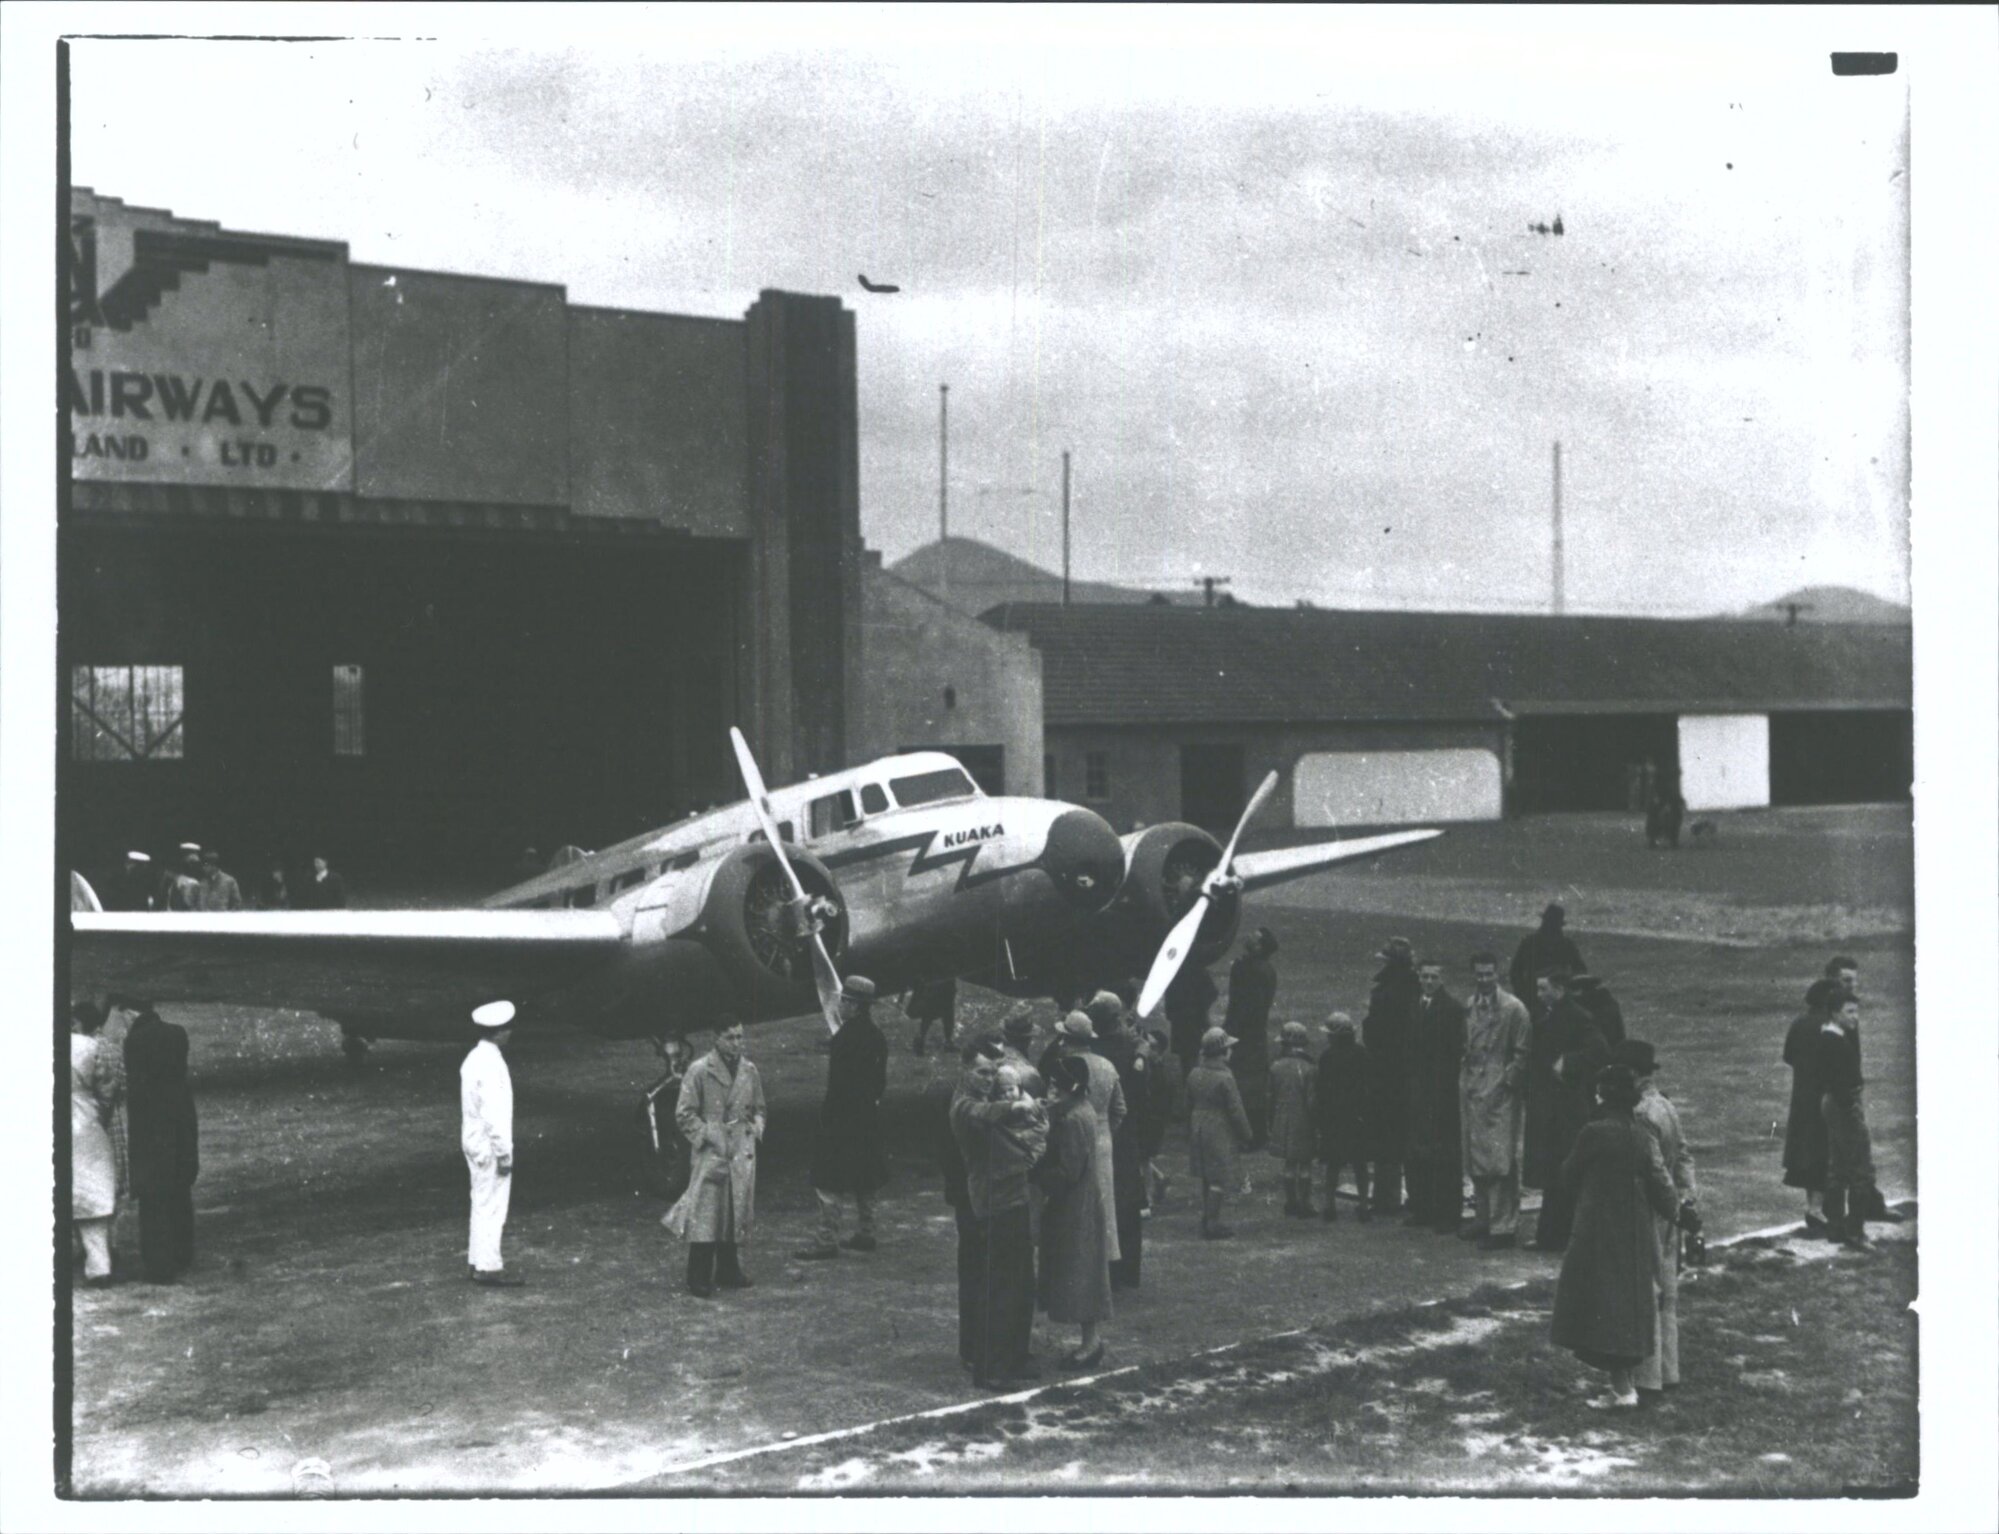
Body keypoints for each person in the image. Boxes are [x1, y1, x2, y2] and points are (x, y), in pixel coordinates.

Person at [1549, 1065, 1682, 1410]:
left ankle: (1623, 1390)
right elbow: (1661, 1184)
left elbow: (1567, 1175)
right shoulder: (1640, 1134)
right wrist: (1680, 1213)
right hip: (1635, 1231)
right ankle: (1624, 1386)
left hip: (1597, 1229)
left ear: (1603, 1096)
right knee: (1625, 1307)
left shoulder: (1594, 1132)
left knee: (1599, 1306)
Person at [951, 1048, 1048, 1389]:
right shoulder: (964, 1105)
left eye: (992, 1073)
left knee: (1020, 1284)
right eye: (981, 1072)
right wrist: (1017, 1105)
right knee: (1001, 1286)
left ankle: (1013, 1357)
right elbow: (981, 1113)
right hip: (996, 1202)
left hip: (1012, 1197)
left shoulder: (982, 1100)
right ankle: (993, 1368)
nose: (988, 1080)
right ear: (964, 1070)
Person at [666, 1016, 766, 1297]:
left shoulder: (749, 1070)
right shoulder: (699, 1070)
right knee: (707, 1213)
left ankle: (728, 1268)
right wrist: (708, 1136)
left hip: (741, 1152)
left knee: (734, 1211)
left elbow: (760, 1107)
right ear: (717, 1039)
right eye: (730, 1037)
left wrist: (757, 1127)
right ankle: (697, 1275)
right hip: (713, 1151)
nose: (737, 1043)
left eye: (740, 1036)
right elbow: (684, 1113)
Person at [1621, 1039, 1697, 1400]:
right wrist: (1686, 1201)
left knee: (1645, 1294)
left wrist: (1667, 1202)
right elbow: (1683, 1157)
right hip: (1669, 1215)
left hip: (1648, 1211)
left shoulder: (1639, 1114)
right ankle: (1669, 1371)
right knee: (1667, 1294)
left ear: (1633, 1074)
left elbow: (1654, 1170)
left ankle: (1647, 1377)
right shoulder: (1665, 1105)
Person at [797, 976, 891, 1260]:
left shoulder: (843, 1040)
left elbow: (837, 1086)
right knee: (867, 1178)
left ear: (854, 1005)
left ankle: (826, 1240)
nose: (840, 1004)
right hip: (868, 1118)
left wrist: (826, 1120)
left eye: (845, 1000)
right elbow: (879, 1084)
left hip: (840, 1119)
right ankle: (867, 1233)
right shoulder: (878, 1037)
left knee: (829, 1180)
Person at [1034, 1055, 1113, 1370]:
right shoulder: (1080, 1111)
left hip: (1074, 1206)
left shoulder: (1072, 1120)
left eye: (1056, 1085)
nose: (1051, 1089)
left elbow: (1067, 1171)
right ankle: (1089, 1341)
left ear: (1070, 1088)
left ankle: (1091, 1343)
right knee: (1083, 1269)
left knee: (1081, 1271)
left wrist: (1036, 1171)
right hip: (1081, 1202)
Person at [1524, 968, 1609, 1252]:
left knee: (1566, 1171)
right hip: (1551, 1105)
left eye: (1543, 989)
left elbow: (1600, 1051)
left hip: (1569, 1107)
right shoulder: (1550, 1014)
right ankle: (1551, 1237)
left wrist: (1568, 1064)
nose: (1539, 995)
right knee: (1554, 1172)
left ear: (1559, 990)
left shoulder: (1577, 1016)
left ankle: (1564, 1237)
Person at [1458, 952, 1531, 1251]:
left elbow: (1523, 1052)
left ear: (1497, 974)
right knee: (1476, 1156)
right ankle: (1483, 1217)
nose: (1484, 980)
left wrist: (1506, 1084)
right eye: (1479, 974)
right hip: (1472, 1088)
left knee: (1500, 1161)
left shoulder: (1515, 1009)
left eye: (1489, 974)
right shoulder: (1469, 1006)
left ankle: (1504, 1227)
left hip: (1499, 1092)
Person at [123, 998, 199, 1284]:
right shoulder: (177, 1032)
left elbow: (136, 1085)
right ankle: (183, 1253)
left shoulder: (134, 1041)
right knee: (180, 1186)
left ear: (129, 1012)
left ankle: (160, 1264)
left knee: (154, 1195)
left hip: (151, 1123)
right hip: (180, 1115)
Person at [1049, 1010, 1125, 1268]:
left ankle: (1078, 1260)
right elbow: (1120, 1109)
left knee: (1075, 1199)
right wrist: (1105, 1131)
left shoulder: (1067, 1067)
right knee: (1103, 1200)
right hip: (1103, 1138)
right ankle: (1105, 1259)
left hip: (1072, 1133)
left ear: (1067, 1038)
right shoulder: (1107, 1065)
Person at [460, 1001, 523, 1287]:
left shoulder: (473, 1058)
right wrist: (505, 1154)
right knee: (493, 1206)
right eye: (506, 1029)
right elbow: (494, 1115)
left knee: (480, 1201)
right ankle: (489, 1266)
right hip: (489, 1144)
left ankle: (477, 1260)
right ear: (499, 1033)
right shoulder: (493, 1064)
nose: (509, 1034)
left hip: (473, 1140)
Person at [1088, 993, 1148, 1290]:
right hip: (1127, 1132)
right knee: (1128, 1202)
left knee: (1099, 1203)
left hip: (1100, 1132)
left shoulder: (1090, 1048)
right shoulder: (1131, 1048)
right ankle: (1128, 1273)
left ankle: (1103, 1271)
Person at [1404, 959, 1467, 1234]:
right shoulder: (1413, 1006)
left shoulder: (1452, 1009)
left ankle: (1447, 1214)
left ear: (1442, 980)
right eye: (1425, 976)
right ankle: (1421, 1208)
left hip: (1441, 1091)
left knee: (1444, 1152)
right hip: (1418, 1089)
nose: (1428, 982)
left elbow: (1455, 1052)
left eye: (1433, 977)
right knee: (1418, 1149)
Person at [1361, 936, 1421, 1214]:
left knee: (1386, 1136)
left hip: (1385, 1071)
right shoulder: (1415, 987)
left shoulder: (1385, 991)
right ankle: (1407, 1195)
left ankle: (1387, 1198)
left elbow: (1374, 1030)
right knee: (1405, 1134)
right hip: (1406, 1071)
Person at [1819, 995, 1883, 1249]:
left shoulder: (1829, 1036)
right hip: (1844, 1104)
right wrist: (1852, 1107)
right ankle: (1855, 1232)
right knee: (1860, 1169)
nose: (1855, 1016)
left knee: (1837, 1166)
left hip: (1833, 1103)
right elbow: (1841, 1081)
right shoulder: (1836, 1041)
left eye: (1856, 1011)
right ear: (1835, 1013)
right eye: (1850, 1012)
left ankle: (1836, 1227)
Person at [70, 999, 124, 1287]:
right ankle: (99, 1266)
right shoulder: (86, 1047)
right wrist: (97, 1114)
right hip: (84, 1122)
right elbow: (107, 1088)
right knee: (91, 1194)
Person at [1782, 979, 1839, 1235]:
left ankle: (1813, 1207)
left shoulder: (1799, 1023)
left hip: (1802, 1095)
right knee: (1825, 1150)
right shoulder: (1830, 1026)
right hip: (1826, 1096)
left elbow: (1789, 1057)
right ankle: (1817, 1209)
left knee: (1806, 1152)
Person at [1187, 1026, 1253, 1239]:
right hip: (1218, 1128)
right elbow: (1236, 1109)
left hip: (1198, 1125)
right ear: (1222, 1052)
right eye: (1228, 1048)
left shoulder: (1194, 1073)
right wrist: (1246, 1134)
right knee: (1219, 1178)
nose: (1231, 1051)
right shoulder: (1225, 1077)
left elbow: (1187, 1101)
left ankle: (1207, 1217)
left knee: (1207, 1175)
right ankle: (1212, 1224)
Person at [1224, 928, 1279, 1149]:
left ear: (1259, 947)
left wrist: (1231, 1031)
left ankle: (1249, 1136)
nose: (1249, 937)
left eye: (1254, 937)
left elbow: (1245, 1007)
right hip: (1253, 1034)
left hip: (1245, 1035)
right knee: (1252, 1085)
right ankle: (1256, 1133)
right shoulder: (1264, 969)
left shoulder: (1248, 969)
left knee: (1245, 1086)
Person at [1314, 1013, 1369, 1222]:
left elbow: (1322, 1090)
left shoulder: (1327, 1057)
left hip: (1334, 1117)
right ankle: (1363, 1205)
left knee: (1333, 1163)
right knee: (1360, 1164)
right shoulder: (1362, 1054)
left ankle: (1329, 1206)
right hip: (1357, 1116)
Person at [1267, 1021, 1318, 1217]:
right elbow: (1312, 1100)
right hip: (1303, 1120)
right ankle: (1305, 1204)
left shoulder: (1275, 1067)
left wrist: (1270, 1120)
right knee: (1304, 1164)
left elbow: (1270, 1097)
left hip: (1282, 1118)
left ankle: (1291, 1202)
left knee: (1289, 1164)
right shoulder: (1309, 1068)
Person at [1509, 902, 1586, 1004]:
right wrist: (1523, 993)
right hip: (1533, 995)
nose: (1550, 927)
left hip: (1557, 995)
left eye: (1553, 923)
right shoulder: (1530, 942)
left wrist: (1568, 988)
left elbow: (1580, 970)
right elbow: (1515, 972)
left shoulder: (1566, 944)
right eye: (1549, 923)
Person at [1135, 1027, 1176, 1211]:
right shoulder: (1153, 1068)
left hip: (1151, 1120)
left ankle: (1148, 1197)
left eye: (1150, 1046)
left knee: (1142, 1158)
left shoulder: (1159, 1073)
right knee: (1141, 1157)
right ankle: (1159, 1179)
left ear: (1158, 1050)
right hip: (1148, 1119)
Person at [1163, 963, 1218, 1080]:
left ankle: (1189, 1081)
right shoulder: (1199, 970)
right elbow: (1212, 992)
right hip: (1195, 1017)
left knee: (1185, 1055)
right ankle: (1194, 1081)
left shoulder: (1174, 971)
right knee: (1194, 1052)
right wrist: (1203, 1007)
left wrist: (1172, 1014)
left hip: (1180, 1018)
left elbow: (1169, 998)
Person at [1568, 973, 1626, 1048]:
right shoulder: (1610, 1001)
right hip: (1612, 1047)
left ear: (1581, 990)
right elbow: (1620, 1032)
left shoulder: (1579, 1005)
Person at [904, 977, 958, 1056]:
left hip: (941, 991)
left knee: (946, 1011)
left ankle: (947, 1042)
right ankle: (920, 1041)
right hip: (931, 994)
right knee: (931, 1012)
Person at [195, 847, 243, 912]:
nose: (203, 868)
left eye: (205, 865)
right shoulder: (201, 882)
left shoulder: (229, 881)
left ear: (213, 865)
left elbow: (237, 904)